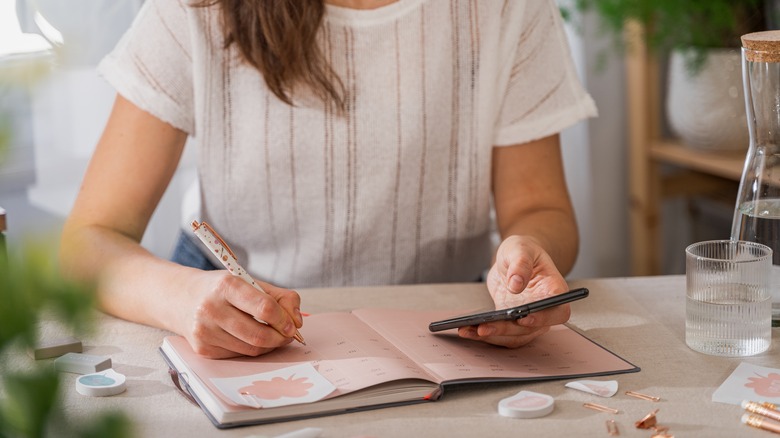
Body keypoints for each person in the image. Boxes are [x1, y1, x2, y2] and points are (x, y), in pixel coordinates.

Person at [59, 0, 597, 359]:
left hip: (450, 334)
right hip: (252, 337)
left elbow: (541, 210)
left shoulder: (508, 9)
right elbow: (88, 243)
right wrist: (181, 298)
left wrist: (527, 260)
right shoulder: (193, 10)